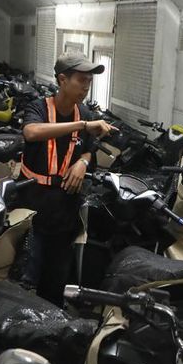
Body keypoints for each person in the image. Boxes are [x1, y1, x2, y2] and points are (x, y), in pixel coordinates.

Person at [18, 52, 116, 305]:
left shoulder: (83, 113)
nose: (86, 87)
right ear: (62, 79)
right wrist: (82, 125)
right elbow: (31, 132)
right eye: (81, 80)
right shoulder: (39, 107)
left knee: (56, 274)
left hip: (65, 206)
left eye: (89, 82)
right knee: (27, 271)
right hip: (32, 205)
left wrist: (83, 162)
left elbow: (89, 148)